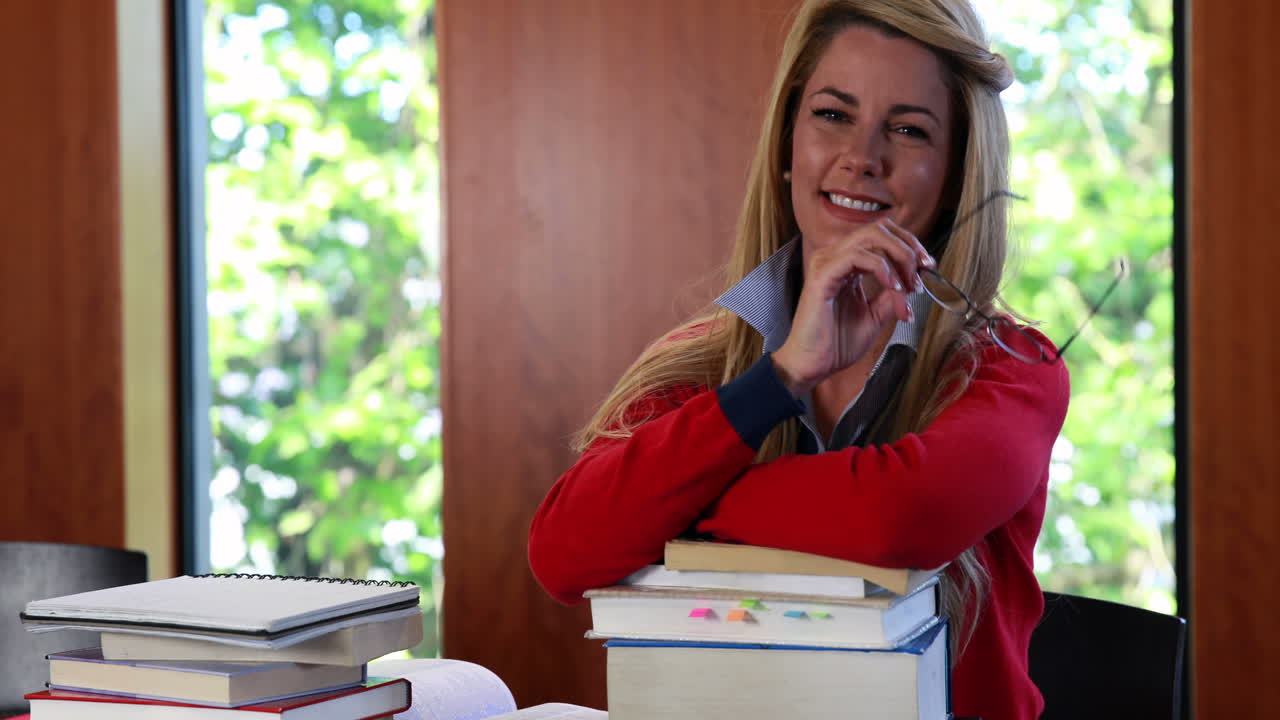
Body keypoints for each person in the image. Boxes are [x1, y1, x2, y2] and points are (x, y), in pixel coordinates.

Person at [528, 1, 1069, 718]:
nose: (862, 158)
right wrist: (778, 379)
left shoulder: (1011, 369)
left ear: (957, 171)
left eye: (908, 130)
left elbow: (898, 519)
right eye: (832, 115)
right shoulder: (696, 368)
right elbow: (564, 553)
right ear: (788, 145)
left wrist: (683, 511)